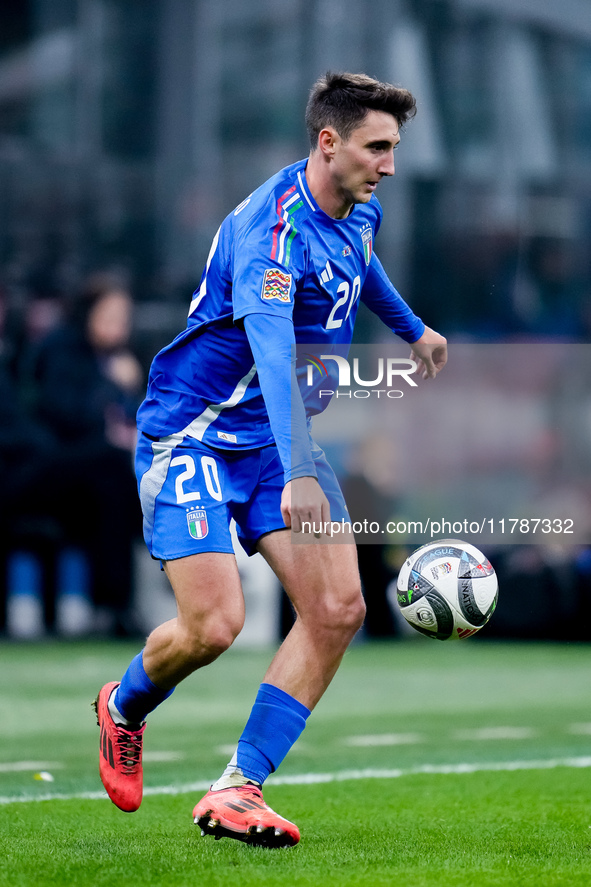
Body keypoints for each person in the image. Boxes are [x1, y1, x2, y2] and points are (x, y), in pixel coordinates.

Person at [93, 72, 447, 847]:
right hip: (194, 433)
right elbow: (274, 349)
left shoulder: (357, 207)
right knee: (214, 624)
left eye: (393, 147)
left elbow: (361, 266)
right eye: (376, 147)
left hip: (276, 437)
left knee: (338, 609)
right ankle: (123, 704)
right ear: (328, 142)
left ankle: (237, 787)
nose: (389, 164)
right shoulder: (272, 234)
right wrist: (295, 472)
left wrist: (412, 328)